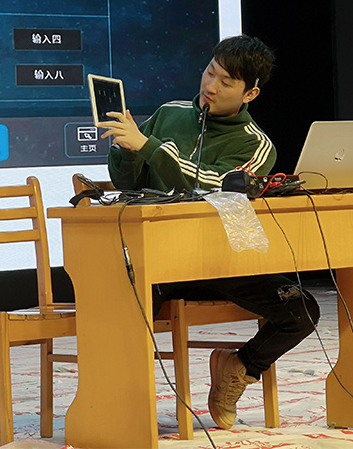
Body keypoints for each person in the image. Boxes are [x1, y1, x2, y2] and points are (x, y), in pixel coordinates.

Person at [98, 35, 320, 430]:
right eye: (209, 72)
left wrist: (149, 147)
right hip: (159, 259)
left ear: (250, 93)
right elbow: (129, 183)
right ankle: (120, 409)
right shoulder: (169, 113)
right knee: (125, 300)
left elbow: (214, 187)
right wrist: (126, 150)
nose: (210, 86)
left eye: (225, 81)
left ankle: (239, 368)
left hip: (221, 262)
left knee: (301, 310)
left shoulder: (256, 145)